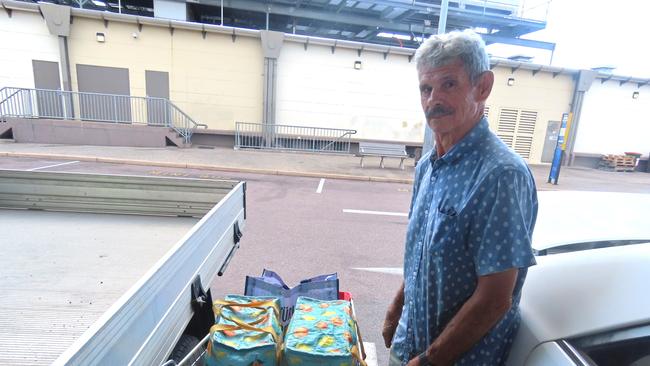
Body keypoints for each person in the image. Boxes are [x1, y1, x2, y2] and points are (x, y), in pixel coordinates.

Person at [382, 29, 538, 366]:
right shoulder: (428, 167)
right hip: (411, 345)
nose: (433, 100)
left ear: (482, 87)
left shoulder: (501, 175)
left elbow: (496, 298)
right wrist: (398, 306)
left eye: (449, 84)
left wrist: (428, 361)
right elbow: (421, 257)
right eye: (426, 88)